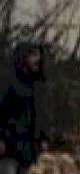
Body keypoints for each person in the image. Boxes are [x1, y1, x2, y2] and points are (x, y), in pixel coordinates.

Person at [0, 43, 48, 174]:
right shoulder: (7, 82)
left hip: (27, 149)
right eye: (33, 55)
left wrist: (43, 138)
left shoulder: (37, 85)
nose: (37, 59)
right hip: (9, 147)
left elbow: (40, 115)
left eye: (38, 55)